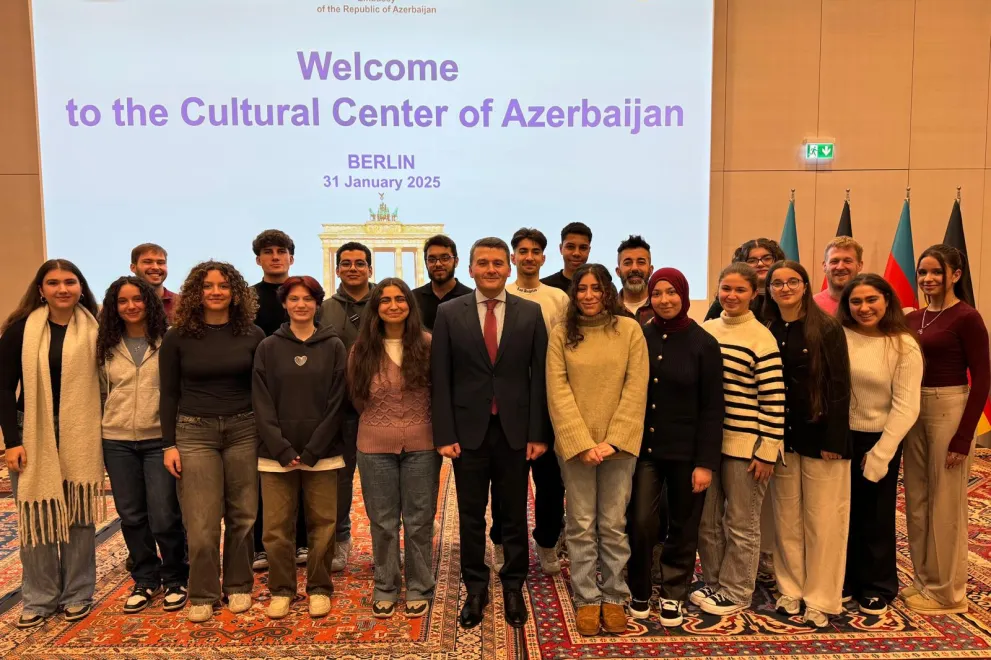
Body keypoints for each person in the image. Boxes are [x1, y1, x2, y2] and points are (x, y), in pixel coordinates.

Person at [431, 237, 549, 630]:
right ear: (471, 269)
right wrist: (444, 433)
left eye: (498, 262)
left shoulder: (531, 314)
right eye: (483, 263)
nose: (492, 269)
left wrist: (538, 433)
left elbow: (540, 380)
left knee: (514, 513)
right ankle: (475, 586)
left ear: (509, 267)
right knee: (470, 516)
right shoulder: (449, 313)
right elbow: (441, 378)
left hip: (516, 432)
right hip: (468, 433)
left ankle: (514, 584)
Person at [160, 260, 265, 623]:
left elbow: (262, 390)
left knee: (244, 514)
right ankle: (202, 592)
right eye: (208, 286)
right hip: (194, 432)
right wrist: (168, 444)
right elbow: (169, 394)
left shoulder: (253, 335)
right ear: (196, 292)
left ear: (236, 292)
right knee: (201, 522)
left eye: (223, 285)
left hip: (244, 429)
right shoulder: (177, 336)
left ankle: (238, 585)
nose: (216, 292)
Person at [0, 259, 103, 628]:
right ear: (40, 289)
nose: (63, 288)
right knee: (37, 514)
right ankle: (40, 599)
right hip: (33, 429)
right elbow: (4, 388)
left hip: (82, 429)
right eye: (54, 282)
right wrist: (11, 441)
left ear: (81, 287)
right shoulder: (19, 331)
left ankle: (78, 593)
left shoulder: (97, 328)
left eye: (70, 281)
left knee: (78, 514)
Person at [547, 263, 647, 636]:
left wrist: (612, 442)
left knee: (613, 524)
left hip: (619, 448)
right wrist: (582, 444)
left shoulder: (630, 331)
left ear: (608, 290)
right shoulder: (561, 334)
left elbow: (636, 389)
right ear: (574, 295)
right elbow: (557, 392)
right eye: (582, 289)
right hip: (576, 449)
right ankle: (587, 597)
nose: (589, 295)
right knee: (581, 524)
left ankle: (614, 595)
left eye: (596, 287)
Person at [626, 268, 723, 628]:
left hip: (688, 455)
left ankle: (672, 593)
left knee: (683, 525)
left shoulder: (703, 343)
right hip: (646, 452)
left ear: (683, 294)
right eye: (657, 293)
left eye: (672, 292)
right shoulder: (640, 337)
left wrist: (705, 463)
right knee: (640, 522)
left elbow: (713, 408)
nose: (664, 299)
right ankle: (639, 588)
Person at [252, 275, 347, 620]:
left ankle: (319, 588)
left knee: (323, 524)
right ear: (285, 304)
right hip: (275, 454)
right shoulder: (268, 347)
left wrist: (313, 449)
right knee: (276, 527)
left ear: (317, 303)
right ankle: (281, 589)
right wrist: (280, 447)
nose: (301, 304)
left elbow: (338, 402)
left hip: (322, 453)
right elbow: (261, 402)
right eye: (294, 299)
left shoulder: (334, 345)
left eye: (308, 298)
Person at [693, 262, 785, 616]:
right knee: (708, 520)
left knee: (741, 524)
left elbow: (774, 400)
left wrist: (767, 451)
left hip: (746, 447)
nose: (731, 296)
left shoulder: (761, 338)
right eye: (726, 289)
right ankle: (715, 582)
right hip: (709, 444)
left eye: (739, 290)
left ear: (754, 294)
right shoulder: (708, 330)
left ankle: (737, 590)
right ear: (717, 290)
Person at [763, 261, 851, 628]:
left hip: (821, 436)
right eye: (777, 283)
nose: (785, 288)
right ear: (768, 289)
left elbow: (840, 385)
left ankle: (821, 597)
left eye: (792, 282)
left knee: (824, 520)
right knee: (786, 517)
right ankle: (790, 588)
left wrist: (835, 438)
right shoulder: (765, 326)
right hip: (781, 437)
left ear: (805, 285)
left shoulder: (826, 327)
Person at [903, 245, 990, 614]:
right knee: (918, 499)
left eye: (936, 272)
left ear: (955, 274)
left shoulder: (967, 317)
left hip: (949, 408)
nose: (928, 279)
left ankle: (949, 593)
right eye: (923, 272)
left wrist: (963, 436)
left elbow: (983, 378)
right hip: (914, 408)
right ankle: (924, 580)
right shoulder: (913, 318)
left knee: (946, 504)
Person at [349, 278, 440, 619]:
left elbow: (437, 393)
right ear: (376, 308)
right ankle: (385, 585)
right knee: (383, 522)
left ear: (409, 305)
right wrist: (382, 427)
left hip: (422, 445)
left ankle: (420, 585)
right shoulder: (361, 351)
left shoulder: (428, 344)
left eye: (399, 299)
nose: (392, 305)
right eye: (384, 300)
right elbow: (357, 398)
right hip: (374, 447)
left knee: (419, 520)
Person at [97, 276, 188, 615]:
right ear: (114, 307)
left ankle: (176, 577)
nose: (131, 306)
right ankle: (145, 578)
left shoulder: (169, 340)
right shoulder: (105, 344)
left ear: (149, 303)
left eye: (137, 299)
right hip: (117, 439)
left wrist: (173, 439)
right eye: (123, 301)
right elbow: (99, 392)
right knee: (132, 515)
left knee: (164, 514)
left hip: (158, 440)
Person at [838, 274, 922, 616]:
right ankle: (842, 578)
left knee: (874, 514)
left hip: (880, 438)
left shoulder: (903, 344)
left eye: (871, 299)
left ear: (887, 301)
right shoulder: (839, 336)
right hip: (840, 437)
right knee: (840, 512)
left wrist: (882, 452)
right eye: (856, 301)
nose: (863, 308)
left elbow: (907, 406)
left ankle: (876, 585)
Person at [488, 228, 569, 575]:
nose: (529, 257)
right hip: (509, 405)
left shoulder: (558, 298)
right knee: (506, 482)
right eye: (522, 251)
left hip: (550, 402)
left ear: (544, 258)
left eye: (536, 251)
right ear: (513, 258)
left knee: (551, 484)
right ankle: (502, 541)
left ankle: (548, 543)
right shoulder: (499, 294)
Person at [249, 229, 309, 572]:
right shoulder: (249, 298)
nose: (275, 256)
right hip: (263, 394)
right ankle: (260, 545)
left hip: (302, 397)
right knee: (265, 474)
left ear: (291, 257)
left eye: (281, 251)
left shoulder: (304, 291)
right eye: (268, 252)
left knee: (303, 470)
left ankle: (302, 541)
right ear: (258, 259)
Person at [319, 241, 375, 573]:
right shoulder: (323, 308)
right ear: (338, 268)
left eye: (359, 263)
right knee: (339, 479)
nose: (353, 268)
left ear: (370, 268)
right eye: (346, 263)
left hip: (378, 406)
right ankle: (341, 540)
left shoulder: (389, 301)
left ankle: (385, 543)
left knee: (379, 482)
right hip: (337, 407)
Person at [703, 238, 785, 323]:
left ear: (777, 261)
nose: (760, 264)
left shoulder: (786, 295)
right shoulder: (727, 300)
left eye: (767, 258)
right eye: (752, 260)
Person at [412, 234, 472, 330]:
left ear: (456, 261)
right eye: (432, 259)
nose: (438, 264)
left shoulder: (471, 298)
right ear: (426, 263)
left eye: (445, 258)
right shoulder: (413, 298)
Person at [130, 243, 180, 323]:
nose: (155, 267)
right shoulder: (120, 305)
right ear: (133, 268)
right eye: (148, 262)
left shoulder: (182, 304)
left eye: (160, 262)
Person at [813, 237, 864, 315]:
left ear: (859, 265)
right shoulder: (811, 306)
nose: (840, 267)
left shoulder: (869, 306)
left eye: (847, 261)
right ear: (824, 266)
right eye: (834, 261)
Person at [541, 222, 592, 293]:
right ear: (561, 248)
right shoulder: (544, 287)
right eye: (570, 247)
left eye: (583, 248)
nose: (576, 253)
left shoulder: (603, 287)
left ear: (589, 250)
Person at [615, 235, 655, 322]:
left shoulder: (661, 306)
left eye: (641, 262)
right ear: (618, 271)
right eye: (627, 263)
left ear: (650, 270)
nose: (634, 268)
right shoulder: (608, 309)